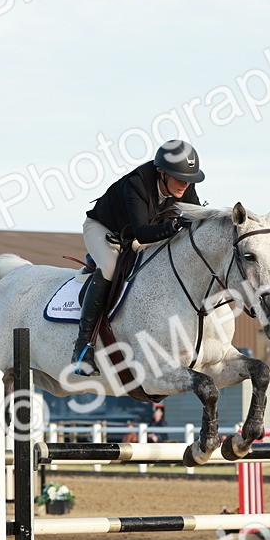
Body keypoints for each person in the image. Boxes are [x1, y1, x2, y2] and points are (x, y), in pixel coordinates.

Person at [73, 139, 205, 375]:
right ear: (161, 172)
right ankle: (83, 347)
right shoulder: (138, 183)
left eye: (189, 179)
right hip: (104, 229)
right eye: (179, 177)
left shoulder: (186, 186)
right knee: (110, 266)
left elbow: (196, 219)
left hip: (134, 235)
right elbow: (143, 233)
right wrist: (175, 225)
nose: (185, 184)